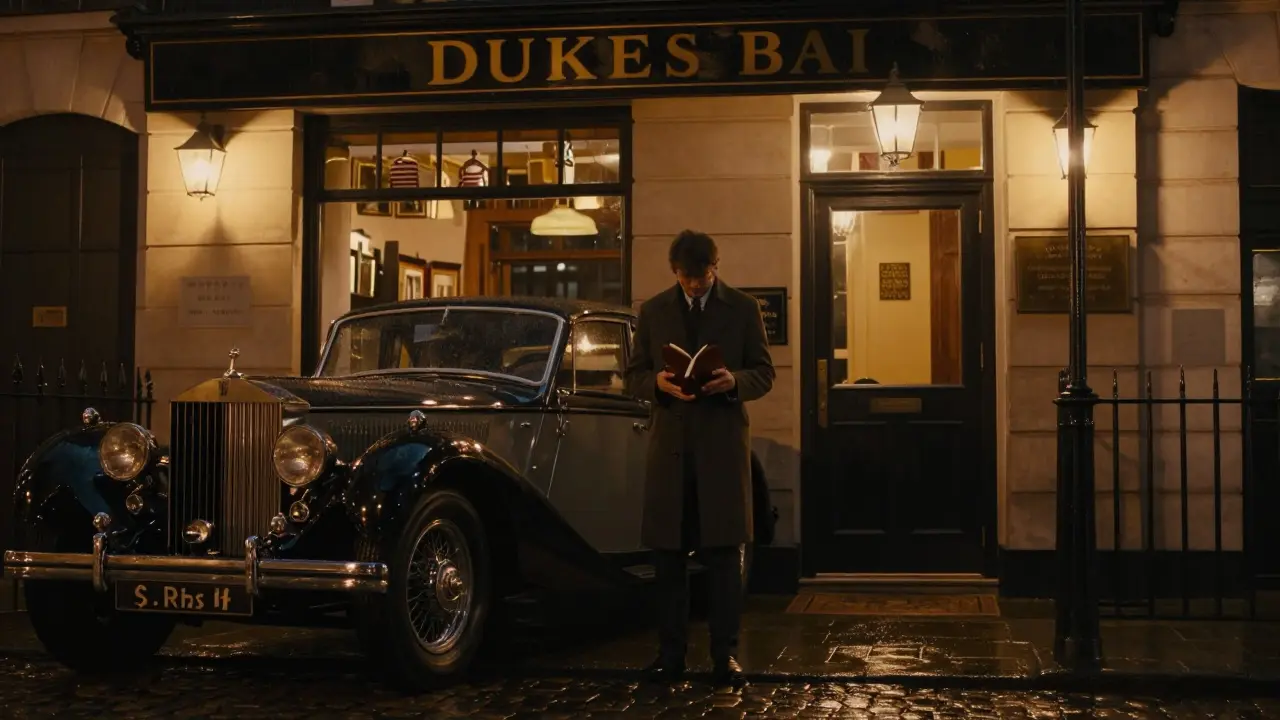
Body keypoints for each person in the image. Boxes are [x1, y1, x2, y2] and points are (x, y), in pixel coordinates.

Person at [624, 229, 775, 690]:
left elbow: (764, 372)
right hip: (670, 450)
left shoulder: (744, 308)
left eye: (701, 276)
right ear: (674, 272)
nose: (693, 285)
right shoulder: (653, 311)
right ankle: (670, 655)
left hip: (721, 449)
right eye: (685, 277)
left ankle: (724, 656)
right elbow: (633, 375)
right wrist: (656, 384)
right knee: (668, 558)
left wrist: (734, 382)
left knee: (724, 558)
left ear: (716, 266)